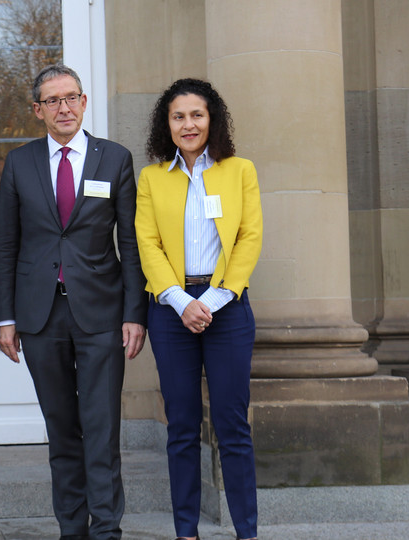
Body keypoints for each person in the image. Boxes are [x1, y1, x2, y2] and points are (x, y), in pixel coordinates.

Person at [0, 64, 147, 540]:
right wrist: (6, 317)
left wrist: (134, 313)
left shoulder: (114, 159)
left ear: (84, 102)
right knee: (62, 432)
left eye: (72, 97)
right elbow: (5, 244)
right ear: (38, 110)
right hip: (40, 316)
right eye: (53, 101)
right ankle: (72, 531)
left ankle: (106, 531)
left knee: (101, 432)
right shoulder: (20, 163)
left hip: (101, 313)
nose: (64, 108)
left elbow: (133, 242)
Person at [135, 78, 262, 540]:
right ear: (165, 124)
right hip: (171, 311)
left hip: (226, 308)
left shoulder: (239, 170)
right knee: (183, 426)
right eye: (178, 116)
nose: (188, 124)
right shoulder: (152, 179)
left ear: (213, 120)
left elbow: (249, 238)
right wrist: (180, 301)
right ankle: (185, 531)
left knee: (232, 426)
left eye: (197, 115)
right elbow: (146, 244)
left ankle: (246, 530)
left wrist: (209, 301)